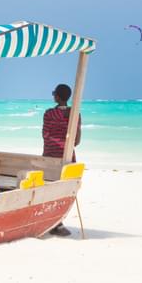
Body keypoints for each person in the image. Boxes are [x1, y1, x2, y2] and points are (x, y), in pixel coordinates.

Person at [42, 83, 81, 236]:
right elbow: (76, 141)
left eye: (54, 93)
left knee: (50, 188)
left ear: (57, 97)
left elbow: (45, 136)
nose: (53, 96)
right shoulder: (74, 114)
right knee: (63, 190)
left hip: (50, 156)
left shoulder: (48, 114)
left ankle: (53, 222)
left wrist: (54, 144)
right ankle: (57, 222)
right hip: (67, 156)